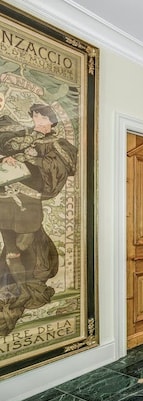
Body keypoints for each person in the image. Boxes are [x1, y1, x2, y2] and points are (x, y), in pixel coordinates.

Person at [0, 103, 78, 336]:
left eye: (41, 115)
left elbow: (62, 168)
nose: (36, 119)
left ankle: (19, 290)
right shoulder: (23, 136)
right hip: (5, 199)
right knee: (11, 247)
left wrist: (30, 159)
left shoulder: (58, 144)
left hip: (29, 202)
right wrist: (8, 159)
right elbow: (7, 145)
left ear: (51, 120)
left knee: (22, 247)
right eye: (34, 115)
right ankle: (19, 291)